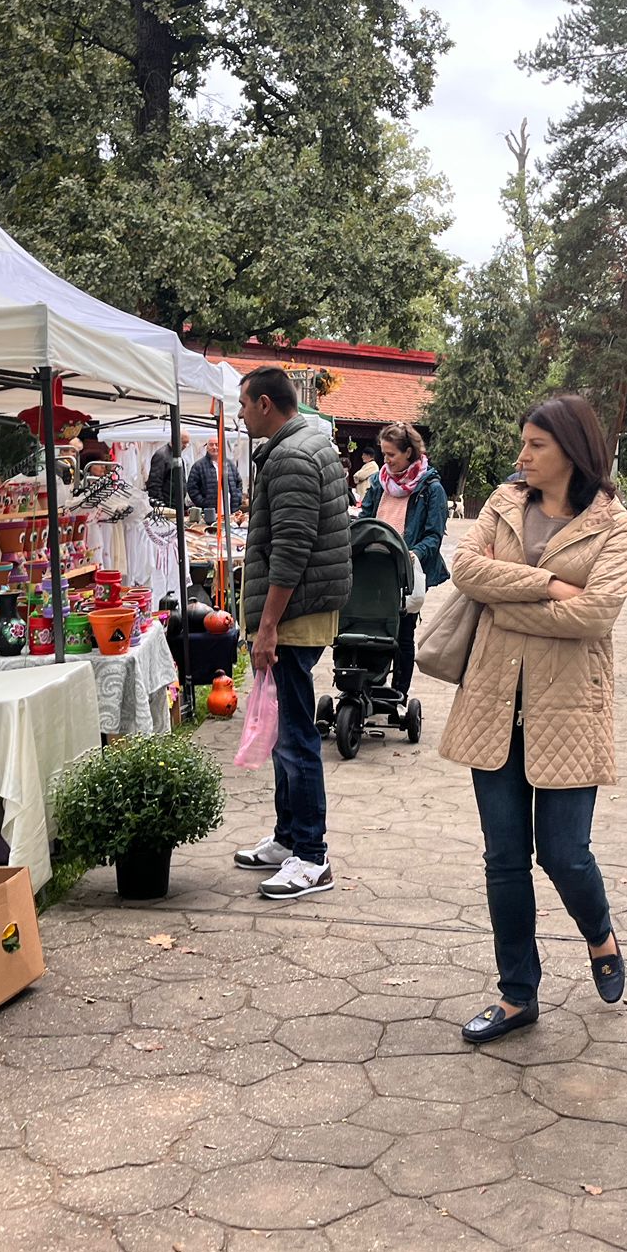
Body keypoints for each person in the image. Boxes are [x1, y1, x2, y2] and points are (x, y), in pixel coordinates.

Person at [442, 394, 627, 1045]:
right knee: (504, 858)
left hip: (569, 710)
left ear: (572, 453)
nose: (521, 456)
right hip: (493, 703)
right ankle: (517, 994)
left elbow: (597, 615)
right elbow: (465, 568)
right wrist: (551, 586)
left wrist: (506, 600)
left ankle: (600, 935)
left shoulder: (615, 526)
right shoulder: (502, 504)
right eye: (522, 443)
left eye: (535, 446)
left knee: (564, 852)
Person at [233, 367, 351, 900]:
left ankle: (311, 856)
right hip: (300, 613)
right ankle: (288, 839)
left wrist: (268, 627)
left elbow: (291, 549)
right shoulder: (305, 444)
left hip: (293, 619)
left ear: (264, 404)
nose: (239, 415)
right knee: (285, 734)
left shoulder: (290, 457)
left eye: (242, 405)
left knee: (297, 739)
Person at [355, 422, 448, 702]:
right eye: (384, 454)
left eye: (392, 455)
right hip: (376, 567)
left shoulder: (431, 488)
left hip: (408, 569)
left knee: (403, 633)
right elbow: (365, 519)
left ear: (409, 452)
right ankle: (369, 680)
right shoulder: (378, 482)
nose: (387, 460)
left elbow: (434, 534)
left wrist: (414, 553)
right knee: (371, 623)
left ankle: (398, 692)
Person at [186, 437, 244, 528]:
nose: (214, 447)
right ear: (207, 447)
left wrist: (237, 497)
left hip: (230, 511)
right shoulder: (198, 466)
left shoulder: (229, 464)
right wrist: (204, 503)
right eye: (211, 444)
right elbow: (192, 488)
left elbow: (239, 483)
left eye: (217, 444)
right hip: (210, 514)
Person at [146, 431, 191, 507]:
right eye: (184, 442)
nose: (186, 446)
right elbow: (154, 484)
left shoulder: (178, 456)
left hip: (176, 505)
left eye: (187, 443)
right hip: (167, 506)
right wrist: (162, 505)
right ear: (175, 440)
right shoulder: (161, 456)